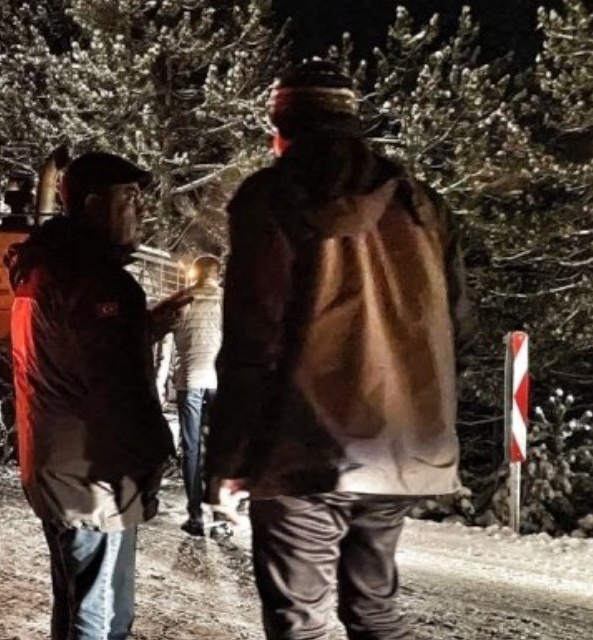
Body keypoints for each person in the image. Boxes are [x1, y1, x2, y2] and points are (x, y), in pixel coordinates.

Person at [205, 60, 475, 639]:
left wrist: (229, 459)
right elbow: (460, 328)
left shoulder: (271, 197)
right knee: (375, 611)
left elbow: (255, 335)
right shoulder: (421, 203)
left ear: (281, 127)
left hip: (305, 445)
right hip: (404, 445)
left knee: (299, 620)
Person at [5, 152, 185, 639]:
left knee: (74, 603)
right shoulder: (96, 281)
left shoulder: (48, 267)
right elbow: (114, 386)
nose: (140, 210)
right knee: (100, 616)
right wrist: (155, 455)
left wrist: (144, 326)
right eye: (129, 197)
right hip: (95, 476)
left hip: (57, 466)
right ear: (91, 204)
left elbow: (76, 350)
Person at [164, 255, 224, 537]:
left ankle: (195, 515)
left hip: (189, 380)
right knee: (217, 446)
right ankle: (220, 516)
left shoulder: (181, 300)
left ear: (195, 274)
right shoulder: (225, 300)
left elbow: (161, 334)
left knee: (191, 447)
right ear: (217, 274)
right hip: (218, 382)